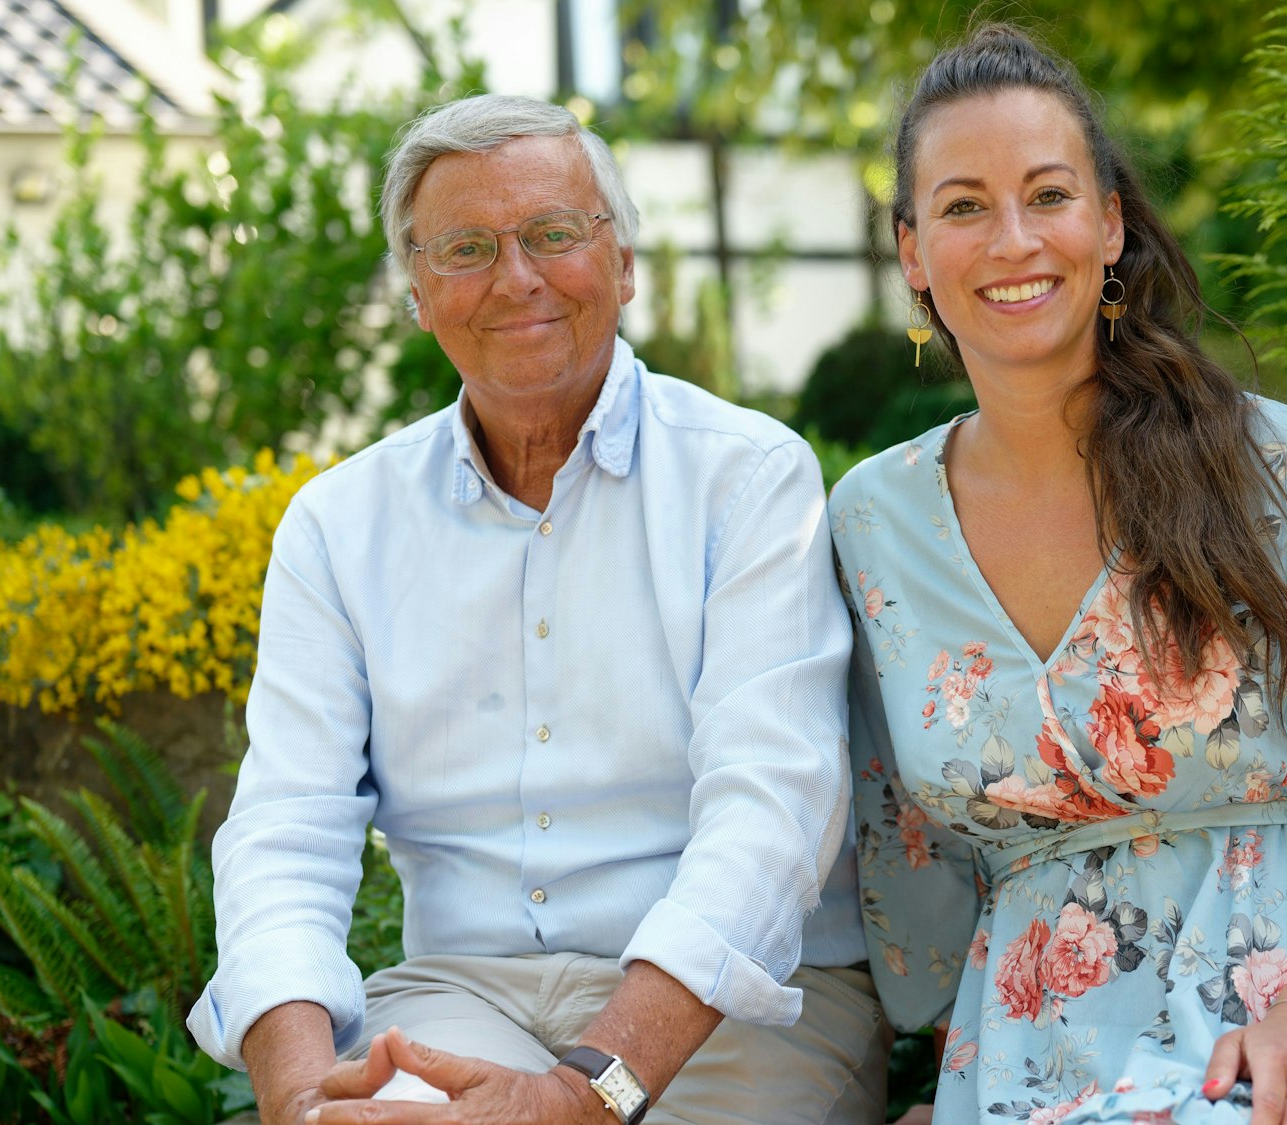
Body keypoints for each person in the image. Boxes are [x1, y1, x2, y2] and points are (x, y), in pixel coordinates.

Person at [831, 25, 1287, 1125]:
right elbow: (902, 862)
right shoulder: (871, 519)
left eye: (1047, 195)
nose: (1012, 240)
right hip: (1026, 1054)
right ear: (911, 253)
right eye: (963, 207)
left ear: (1108, 223)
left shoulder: (1271, 465)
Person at [187, 93, 888, 1125]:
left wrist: (584, 1091)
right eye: (465, 248)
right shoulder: (339, 524)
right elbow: (285, 831)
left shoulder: (747, 480)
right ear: (417, 295)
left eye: (554, 234)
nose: (516, 278)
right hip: (457, 994)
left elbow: (769, 813)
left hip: (724, 1007)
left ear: (624, 265)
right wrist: (299, 1100)